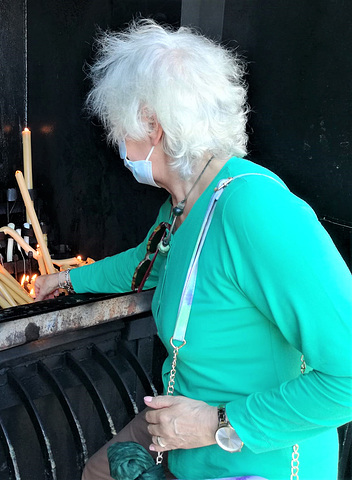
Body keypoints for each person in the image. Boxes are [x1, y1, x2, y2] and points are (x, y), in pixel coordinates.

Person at [33, 19, 352, 480]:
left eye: (121, 130)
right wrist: (65, 280)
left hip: (256, 463)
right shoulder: (185, 203)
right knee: (98, 471)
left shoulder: (254, 209)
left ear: (152, 126)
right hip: (183, 441)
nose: (119, 145)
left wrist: (216, 423)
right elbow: (148, 262)